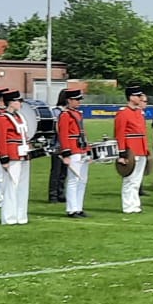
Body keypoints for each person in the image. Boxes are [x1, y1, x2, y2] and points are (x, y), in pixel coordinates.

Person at [0, 89, 31, 225]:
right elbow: (0, 139)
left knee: (23, 186)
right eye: (18, 101)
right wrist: (4, 157)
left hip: (23, 154)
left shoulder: (19, 117)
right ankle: (8, 217)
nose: (20, 103)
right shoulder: (2, 118)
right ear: (11, 103)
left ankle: (21, 215)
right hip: (12, 155)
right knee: (11, 186)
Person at [55, 89, 91, 217]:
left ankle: (79, 207)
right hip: (72, 149)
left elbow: (83, 133)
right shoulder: (65, 115)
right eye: (76, 99)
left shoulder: (77, 114)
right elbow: (63, 135)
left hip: (81, 148)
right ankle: (71, 209)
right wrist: (66, 153)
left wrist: (88, 149)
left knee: (82, 180)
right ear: (69, 100)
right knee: (73, 179)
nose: (79, 102)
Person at [115, 86, 151, 213]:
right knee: (129, 179)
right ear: (131, 97)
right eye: (137, 96)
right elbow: (119, 133)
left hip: (140, 149)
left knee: (136, 180)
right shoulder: (123, 113)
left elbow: (143, 132)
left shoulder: (139, 112)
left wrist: (146, 149)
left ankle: (135, 205)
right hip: (131, 149)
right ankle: (128, 206)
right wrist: (122, 153)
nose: (140, 98)